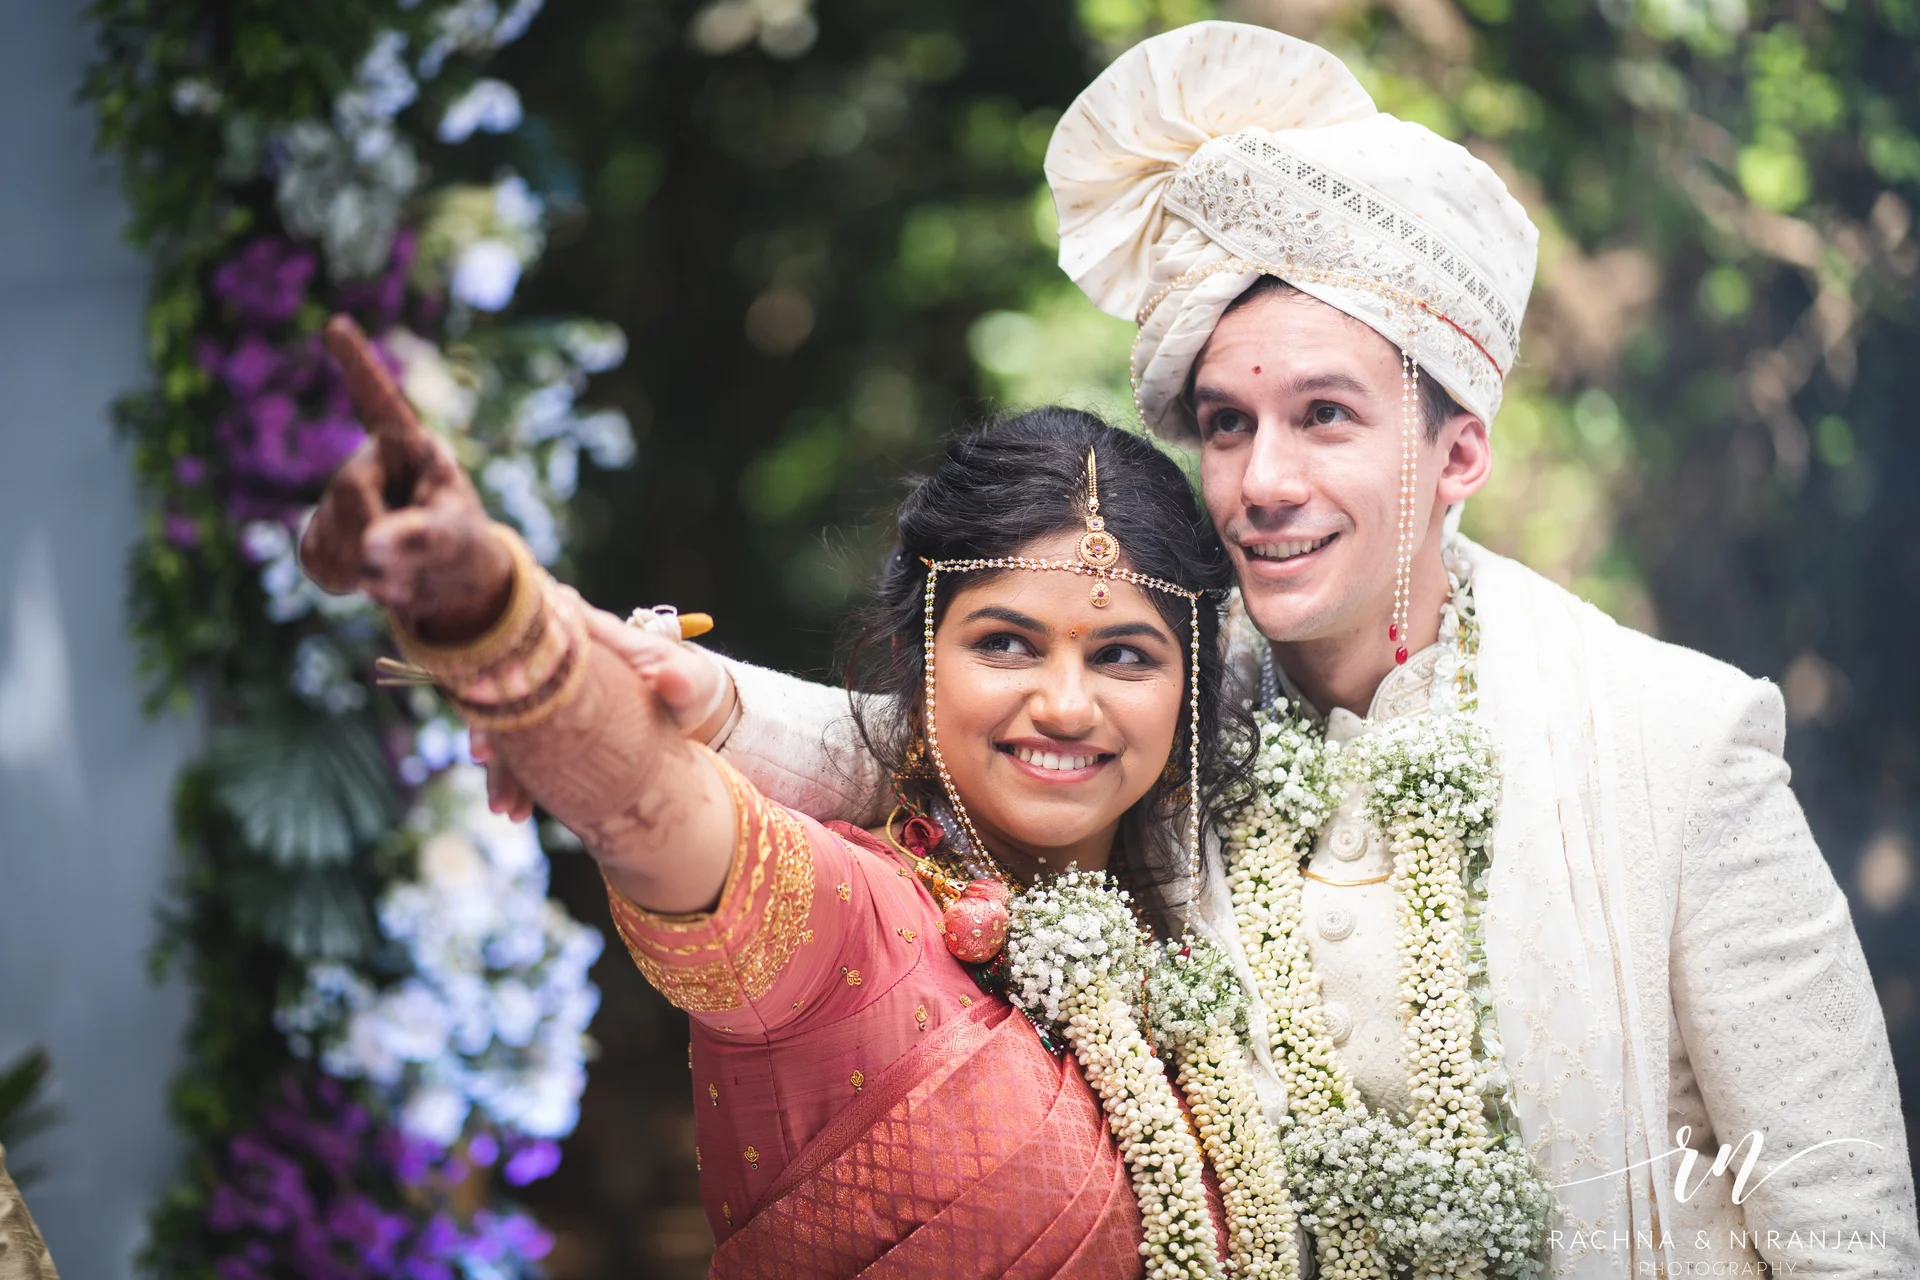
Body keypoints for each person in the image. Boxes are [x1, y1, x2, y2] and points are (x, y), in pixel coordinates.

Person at [475, 21, 1916, 1280]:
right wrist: (682, 691)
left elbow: (1845, 1229)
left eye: (1326, 417)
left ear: (1460, 448)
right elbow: (920, 737)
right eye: (1227, 422)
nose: (1260, 479)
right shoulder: (1161, 717)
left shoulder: (1674, 741)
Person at [298, 324, 1321, 1277]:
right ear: (918, 663)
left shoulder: (1225, 932)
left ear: (1189, 684)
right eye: (1004, 642)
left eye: (1123, 654)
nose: (1063, 702)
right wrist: (489, 611)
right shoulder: (854, 916)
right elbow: (652, 803)